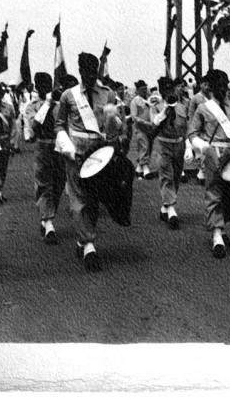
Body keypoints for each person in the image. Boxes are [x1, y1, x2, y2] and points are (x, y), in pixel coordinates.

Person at [54, 52, 128, 271]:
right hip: (76, 152)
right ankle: (89, 245)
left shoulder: (108, 94)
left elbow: (115, 125)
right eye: (86, 71)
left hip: (99, 152)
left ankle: (83, 238)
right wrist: (66, 146)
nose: (90, 74)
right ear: (80, 71)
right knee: (79, 198)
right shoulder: (69, 95)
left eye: (93, 71)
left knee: (94, 198)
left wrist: (116, 124)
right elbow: (59, 125)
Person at [187, 69, 230, 258]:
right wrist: (202, 147)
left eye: (224, 83)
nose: (222, 87)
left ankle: (221, 224)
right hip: (214, 153)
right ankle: (217, 234)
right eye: (217, 84)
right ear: (210, 86)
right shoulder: (203, 108)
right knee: (214, 192)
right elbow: (192, 133)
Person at [26, 72, 66, 245]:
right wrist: (47, 104)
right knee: (44, 184)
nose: (45, 87)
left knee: (59, 183)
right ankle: (48, 222)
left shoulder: (59, 104)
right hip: (43, 145)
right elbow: (34, 125)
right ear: (36, 86)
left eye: (48, 83)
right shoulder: (32, 106)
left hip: (58, 145)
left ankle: (46, 217)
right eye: (42, 84)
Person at [151, 77, 190, 229]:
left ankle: (165, 207)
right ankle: (172, 210)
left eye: (170, 88)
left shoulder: (182, 106)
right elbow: (154, 123)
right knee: (166, 175)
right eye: (164, 88)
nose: (168, 91)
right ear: (161, 90)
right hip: (163, 144)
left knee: (176, 176)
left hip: (178, 144)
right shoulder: (156, 106)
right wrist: (165, 110)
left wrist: (188, 145)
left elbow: (185, 127)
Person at [130, 80, 155, 179]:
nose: (144, 91)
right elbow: (134, 117)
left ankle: (139, 169)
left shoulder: (149, 100)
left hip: (150, 128)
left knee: (148, 147)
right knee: (145, 146)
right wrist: (146, 123)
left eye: (145, 89)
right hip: (140, 128)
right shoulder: (135, 101)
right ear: (137, 90)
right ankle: (146, 170)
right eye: (142, 89)